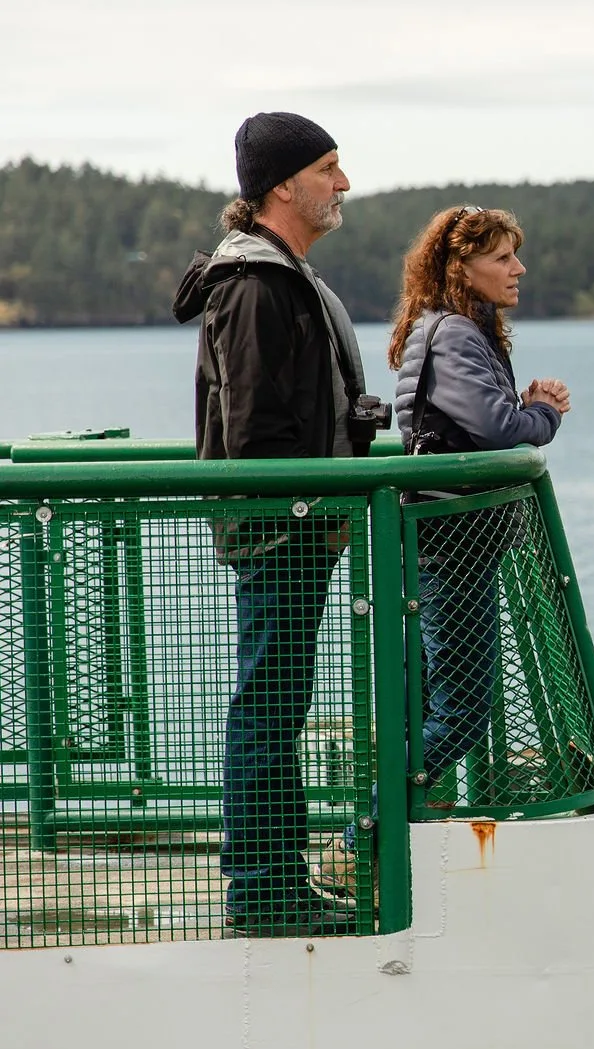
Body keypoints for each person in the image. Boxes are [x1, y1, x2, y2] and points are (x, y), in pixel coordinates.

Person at [171, 111, 382, 937]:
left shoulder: (278, 274)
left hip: (293, 524)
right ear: (283, 186)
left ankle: (274, 880)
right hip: (280, 529)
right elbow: (257, 425)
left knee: (274, 705)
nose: (344, 182)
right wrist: (307, 494)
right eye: (330, 167)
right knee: (266, 709)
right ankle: (262, 888)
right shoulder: (258, 283)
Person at [388, 206, 569, 793]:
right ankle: (362, 835)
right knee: (463, 707)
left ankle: (384, 827)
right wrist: (541, 412)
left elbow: (467, 421)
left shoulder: (455, 329)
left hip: (448, 536)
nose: (519, 267)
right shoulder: (456, 332)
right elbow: (494, 429)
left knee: (432, 699)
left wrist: (523, 404)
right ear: (461, 268)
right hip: (453, 540)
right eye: (501, 257)